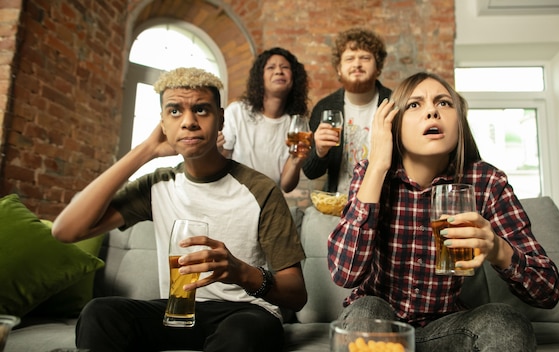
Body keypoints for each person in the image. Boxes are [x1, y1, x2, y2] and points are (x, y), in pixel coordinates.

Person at [52, 67, 307, 352]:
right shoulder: (157, 185)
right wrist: (146, 150)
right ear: (162, 123)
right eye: (174, 111)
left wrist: (241, 272)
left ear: (221, 119)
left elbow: (296, 294)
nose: (188, 122)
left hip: (244, 313)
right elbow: (66, 230)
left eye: (201, 109)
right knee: (100, 313)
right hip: (178, 313)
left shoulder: (260, 190)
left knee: (243, 334)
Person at [327, 71, 559, 351]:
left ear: (459, 122)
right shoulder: (370, 175)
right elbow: (345, 274)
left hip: (445, 327)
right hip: (380, 323)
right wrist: (377, 164)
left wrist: (498, 249)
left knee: (505, 320)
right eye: (415, 105)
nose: (432, 112)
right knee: (366, 312)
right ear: (394, 123)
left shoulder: (486, 183)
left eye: (444, 103)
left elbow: (548, 291)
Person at [303, 27, 392, 194]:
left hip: (385, 202)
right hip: (338, 206)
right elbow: (310, 172)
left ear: (378, 67)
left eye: (365, 58)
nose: (357, 64)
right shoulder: (325, 107)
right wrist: (320, 151)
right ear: (339, 68)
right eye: (350, 58)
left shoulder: (394, 104)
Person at [221, 47, 310, 193]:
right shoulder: (237, 112)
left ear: (294, 78)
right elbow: (219, 162)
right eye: (270, 67)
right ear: (260, 78)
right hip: (233, 197)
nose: (278, 71)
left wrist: (296, 162)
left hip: (269, 202)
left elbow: (287, 187)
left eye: (285, 67)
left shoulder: (296, 124)